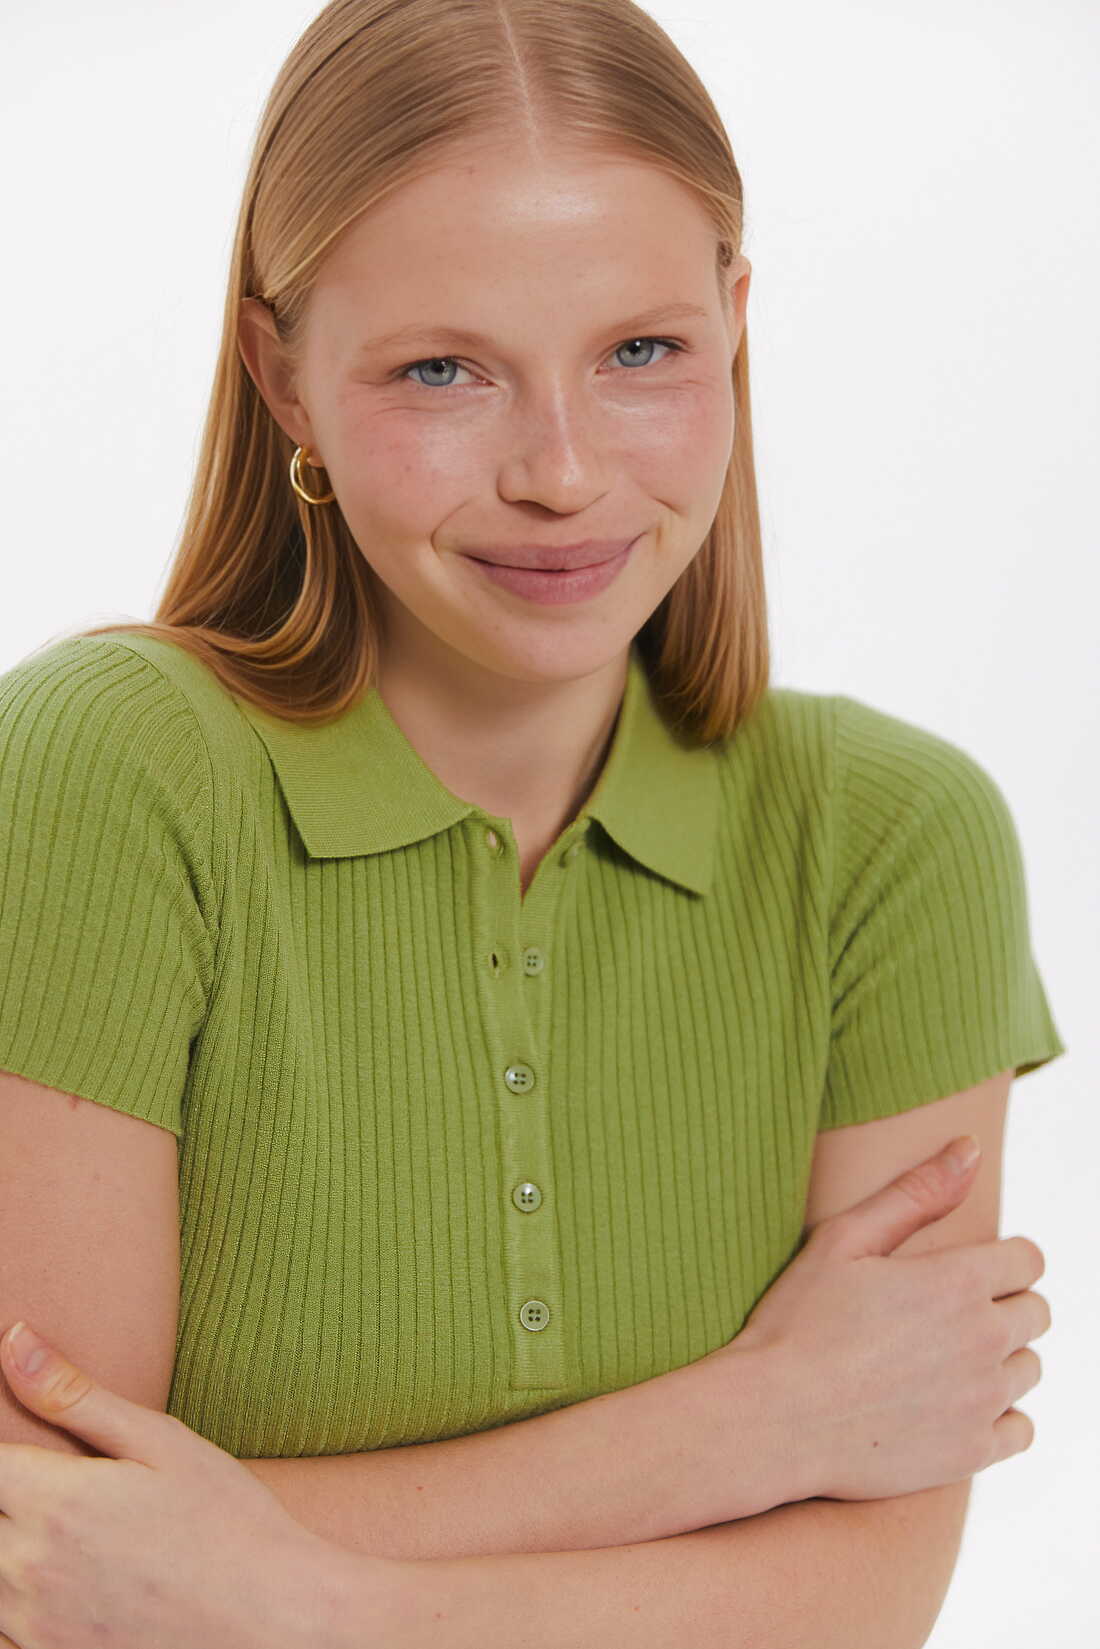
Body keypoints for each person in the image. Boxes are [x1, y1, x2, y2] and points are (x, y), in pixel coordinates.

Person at [0, 0, 1066, 1643]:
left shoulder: (894, 844)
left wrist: (286, 1603)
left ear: (735, 320)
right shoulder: (112, 774)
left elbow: (860, 1601)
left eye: (642, 352)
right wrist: (750, 1424)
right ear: (278, 374)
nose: (562, 473)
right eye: (444, 369)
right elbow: (44, 1545)